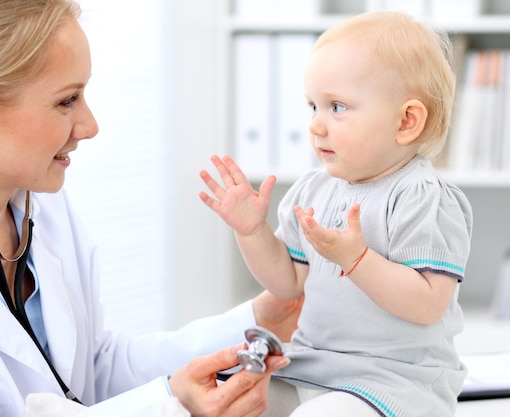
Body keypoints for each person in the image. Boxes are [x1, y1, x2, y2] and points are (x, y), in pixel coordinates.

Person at [0, 0, 303, 416]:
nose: (90, 125)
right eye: (67, 101)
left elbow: (91, 372)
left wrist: (265, 317)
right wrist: (172, 407)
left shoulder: (41, 206)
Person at [199, 10, 472, 417]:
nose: (316, 125)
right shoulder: (315, 188)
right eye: (313, 106)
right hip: (313, 369)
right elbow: (289, 282)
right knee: (231, 403)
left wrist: (357, 260)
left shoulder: (423, 197)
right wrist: (252, 231)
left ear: (407, 121)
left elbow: (429, 302)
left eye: (337, 107)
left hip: (392, 381)